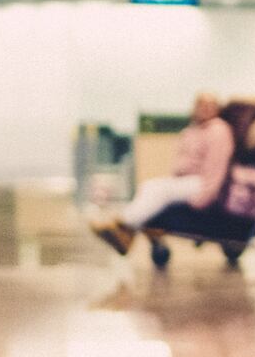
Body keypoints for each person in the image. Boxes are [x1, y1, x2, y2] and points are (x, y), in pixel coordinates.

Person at [90, 93, 232, 256]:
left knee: (161, 190)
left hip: (202, 183)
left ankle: (123, 225)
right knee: (149, 186)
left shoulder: (218, 130)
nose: (204, 109)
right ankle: (126, 232)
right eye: (201, 104)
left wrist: (204, 199)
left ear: (217, 109)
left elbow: (217, 168)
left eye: (210, 105)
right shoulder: (191, 131)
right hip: (187, 181)